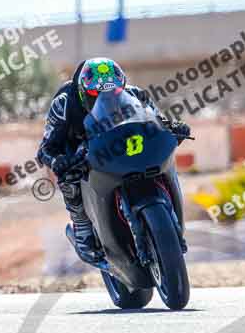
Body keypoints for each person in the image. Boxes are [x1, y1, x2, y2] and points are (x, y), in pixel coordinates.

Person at [36, 58, 190, 264]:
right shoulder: (64, 103)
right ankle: (82, 228)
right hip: (79, 145)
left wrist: (173, 128)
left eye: (114, 91)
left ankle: (172, 214)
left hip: (118, 140)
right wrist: (58, 161)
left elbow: (158, 121)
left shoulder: (135, 94)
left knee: (164, 155)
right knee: (69, 176)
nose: (105, 98)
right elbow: (45, 148)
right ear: (83, 91)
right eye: (95, 94)